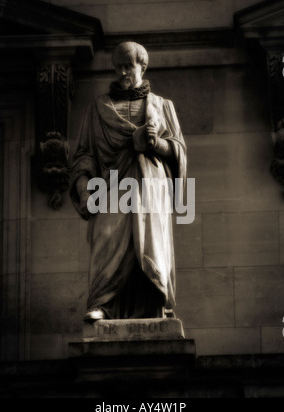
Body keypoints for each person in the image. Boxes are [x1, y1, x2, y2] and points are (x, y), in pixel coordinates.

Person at [70, 42, 186, 321]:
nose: (122, 72)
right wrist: (84, 188)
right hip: (110, 187)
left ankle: (156, 305)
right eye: (118, 66)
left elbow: (178, 151)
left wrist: (156, 145)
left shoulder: (162, 106)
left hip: (150, 188)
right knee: (108, 242)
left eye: (128, 66)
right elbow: (84, 156)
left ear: (142, 67)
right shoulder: (97, 109)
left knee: (150, 247)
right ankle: (101, 303)